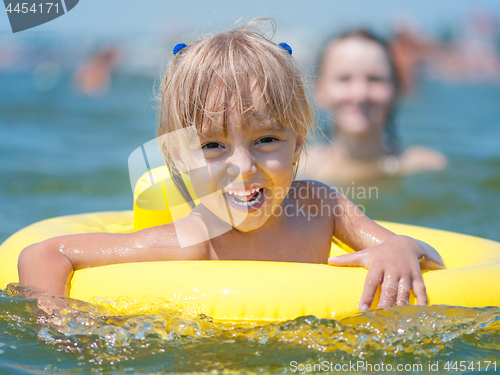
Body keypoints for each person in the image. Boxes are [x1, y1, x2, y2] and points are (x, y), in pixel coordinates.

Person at [18, 20, 444, 312]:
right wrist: (62, 325)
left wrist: (399, 247)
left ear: (297, 145)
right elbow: (44, 254)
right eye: (213, 146)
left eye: (265, 140)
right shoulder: (191, 241)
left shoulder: (322, 207)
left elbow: (425, 256)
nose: (243, 166)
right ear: (181, 159)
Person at [299, 29, 447, 184]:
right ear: (318, 91)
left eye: (375, 79)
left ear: (397, 89)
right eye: (344, 79)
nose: (359, 94)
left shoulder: (427, 167)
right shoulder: (298, 169)